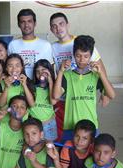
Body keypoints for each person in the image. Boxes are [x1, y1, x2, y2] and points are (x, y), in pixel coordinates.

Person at [49, 12, 111, 141]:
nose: (58, 28)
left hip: (83, 93)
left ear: (68, 25)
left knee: (84, 136)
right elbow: (54, 69)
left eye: (61, 24)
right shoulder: (52, 47)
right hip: (64, 94)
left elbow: (100, 68)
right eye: (54, 26)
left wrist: (105, 93)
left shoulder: (81, 43)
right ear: (51, 29)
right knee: (67, 136)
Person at [8, 9, 53, 80]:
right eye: (23, 22)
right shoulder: (12, 44)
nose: (26, 25)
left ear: (35, 23)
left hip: (40, 87)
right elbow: (8, 68)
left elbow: (51, 69)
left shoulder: (46, 45)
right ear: (18, 24)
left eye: (29, 21)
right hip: (18, 86)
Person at [30, 59, 58, 141]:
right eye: (37, 71)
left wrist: (51, 82)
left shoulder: (54, 87)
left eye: (43, 70)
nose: (40, 73)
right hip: (35, 125)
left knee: (50, 147)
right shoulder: (32, 87)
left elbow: (53, 101)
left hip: (50, 124)